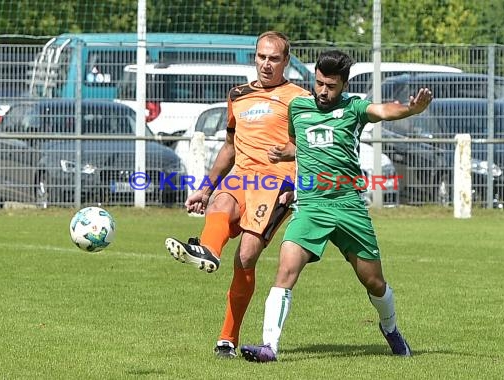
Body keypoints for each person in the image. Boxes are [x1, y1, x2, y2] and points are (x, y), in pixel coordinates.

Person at [240, 50, 433, 362]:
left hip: (348, 207)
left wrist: (411, 110)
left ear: (343, 85)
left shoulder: (354, 108)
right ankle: (269, 347)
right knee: (286, 270)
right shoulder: (299, 107)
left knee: (374, 282)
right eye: (318, 83)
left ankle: (391, 328)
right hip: (311, 206)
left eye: (330, 86)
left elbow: (383, 110)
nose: (323, 91)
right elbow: (298, 143)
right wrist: (284, 154)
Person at [164, 31, 310, 358]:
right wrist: (205, 187)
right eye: (261, 57)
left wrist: (299, 178)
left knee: (245, 257)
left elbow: (312, 146)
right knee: (219, 201)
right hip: (242, 176)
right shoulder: (238, 95)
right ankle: (207, 251)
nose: (266, 64)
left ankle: (227, 338)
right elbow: (230, 147)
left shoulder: (300, 99)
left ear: (286, 61)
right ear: (254, 57)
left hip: (277, 185)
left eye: (274, 58)